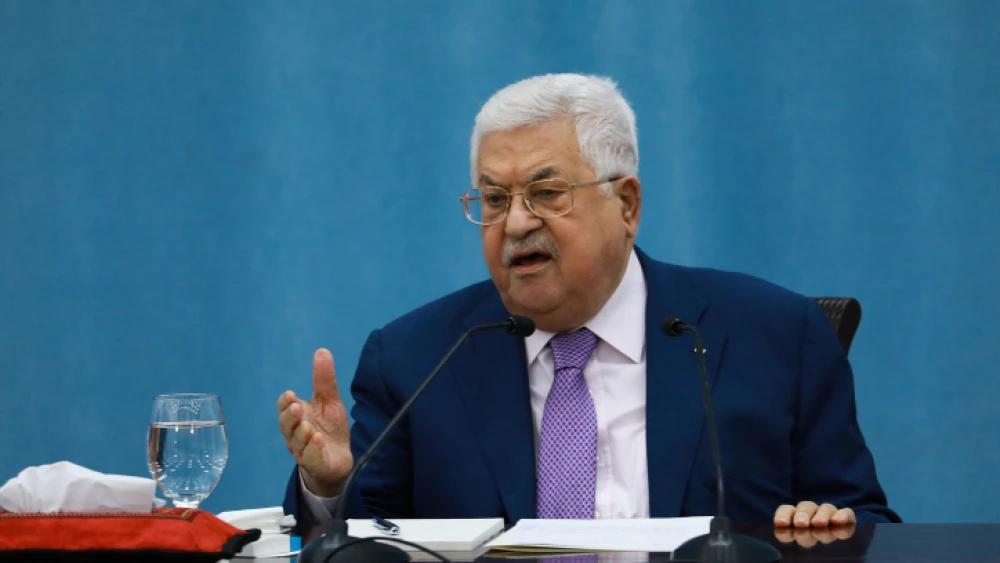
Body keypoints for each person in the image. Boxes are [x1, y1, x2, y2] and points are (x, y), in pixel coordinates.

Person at [278, 73, 900, 530]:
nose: (516, 223)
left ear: (626, 204)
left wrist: (827, 530)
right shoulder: (416, 357)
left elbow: (864, 522)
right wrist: (329, 487)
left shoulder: (775, 336)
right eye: (493, 199)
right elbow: (364, 541)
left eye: (546, 192)